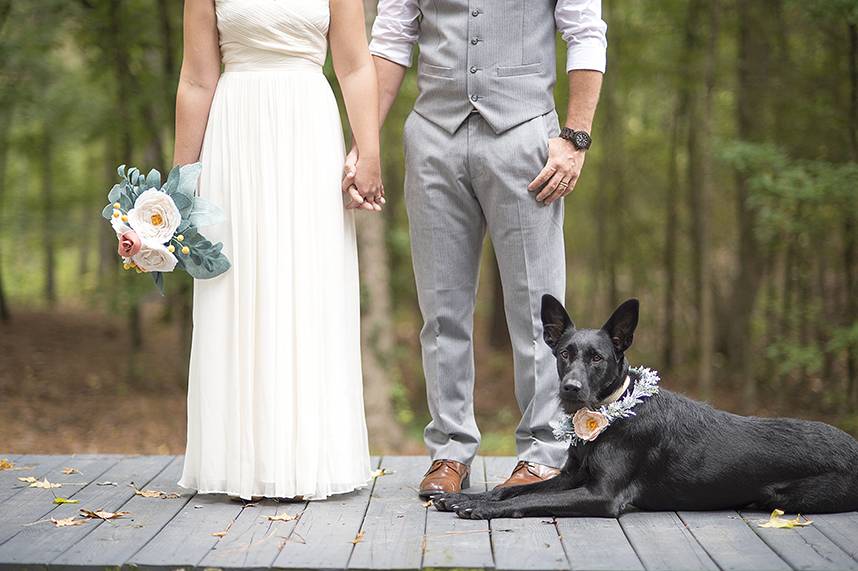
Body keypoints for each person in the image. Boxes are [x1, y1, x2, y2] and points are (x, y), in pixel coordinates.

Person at [345, 0, 607, 497]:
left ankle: (544, 453)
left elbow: (586, 32)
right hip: (433, 138)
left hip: (526, 138)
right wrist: (365, 144)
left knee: (539, 315)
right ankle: (449, 449)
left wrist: (575, 139)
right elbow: (392, 37)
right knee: (440, 313)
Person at [174, 0, 383, 501]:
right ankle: (240, 463)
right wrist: (178, 185)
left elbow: (355, 66)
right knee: (236, 287)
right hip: (235, 135)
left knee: (308, 287)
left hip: (307, 132)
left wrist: (369, 151)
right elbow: (197, 80)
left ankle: (311, 458)